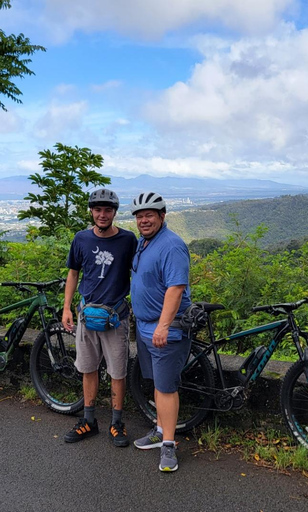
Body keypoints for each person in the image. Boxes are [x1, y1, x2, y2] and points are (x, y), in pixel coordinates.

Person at [62, 188, 137, 447]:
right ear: (91, 212)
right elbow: (73, 273)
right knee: (88, 368)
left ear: (115, 212)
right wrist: (67, 307)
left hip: (116, 316)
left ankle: (116, 422)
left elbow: (138, 272)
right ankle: (89, 420)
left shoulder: (128, 240)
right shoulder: (81, 239)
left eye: (107, 210)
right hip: (87, 314)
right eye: (98, 209)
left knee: (118, 371)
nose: (102, 214)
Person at [129, 191, 192, 472]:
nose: (144, 220)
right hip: (145, 327)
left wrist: (163, 326)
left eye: (149, 215)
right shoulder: (144, 243)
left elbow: (176, 288)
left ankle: (168, 446)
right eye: (140, 216)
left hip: (164, 329)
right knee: (156, 382)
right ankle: (158, 430)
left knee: (166, 387)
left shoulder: (172, 245)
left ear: (162, 216)